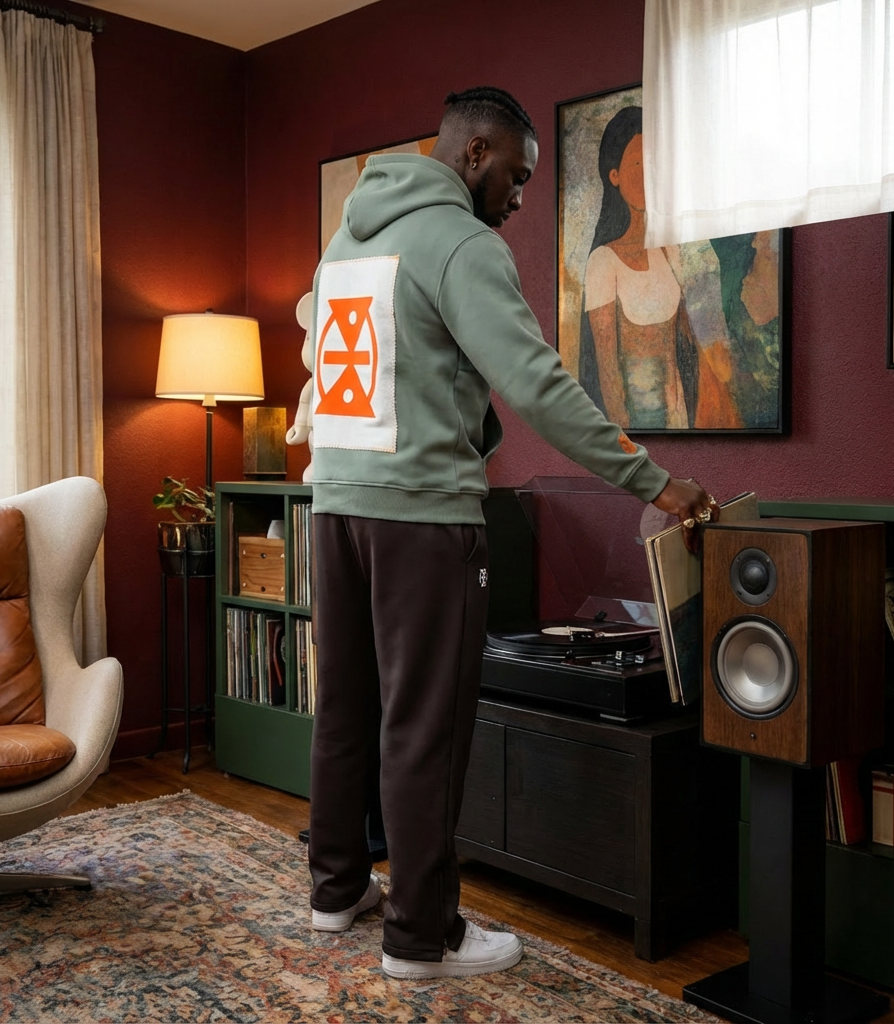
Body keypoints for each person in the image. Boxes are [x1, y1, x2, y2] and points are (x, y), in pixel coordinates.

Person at [306, 86, 717, 981]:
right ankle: (421, 935)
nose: (522, 198)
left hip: (333, 506)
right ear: (476, 154)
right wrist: (657, 482)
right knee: (426, 727)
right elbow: (538, 386)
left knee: (346, 707)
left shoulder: (348, 237)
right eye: (519, 177)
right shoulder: (461, 242)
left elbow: (330, 360)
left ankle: (336, 889)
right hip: (420, 520)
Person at [580, 105, 740, 430]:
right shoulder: (603, 262)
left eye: (653, 164)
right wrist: (625, 439)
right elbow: (608, 371)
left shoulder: (671, 252)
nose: (647, 175)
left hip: (679, 410)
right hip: (637, 422)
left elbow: (695, 336)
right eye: (637, 163)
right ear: (615, 176)